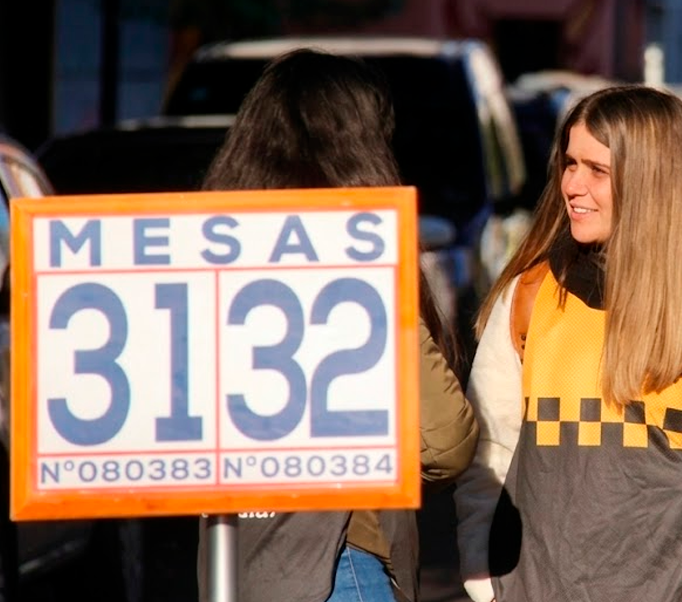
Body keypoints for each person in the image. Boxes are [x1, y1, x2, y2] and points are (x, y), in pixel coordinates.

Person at [453, 84, 682, 602]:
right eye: (569, 163)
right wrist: (485, 578)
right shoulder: (529, 298)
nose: (572, 185)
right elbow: (487, 454)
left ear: (652, 180)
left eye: (597, 170)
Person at [194, 48, 480, 602]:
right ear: (358, 150)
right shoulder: (357, 269)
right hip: (341, 563)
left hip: (233, 564)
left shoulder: (204, 264)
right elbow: (445, 441)